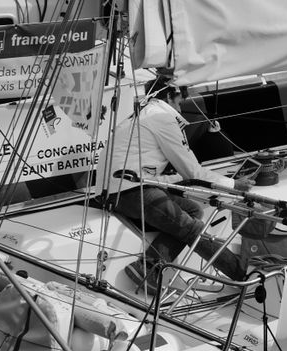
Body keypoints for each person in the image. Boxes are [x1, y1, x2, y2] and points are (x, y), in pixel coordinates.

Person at [96, 76, 254, 290]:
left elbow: (161, 173)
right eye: (180, 101)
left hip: (120, 188)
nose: (181, 107)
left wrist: (186, 178)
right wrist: (234, 186)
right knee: (191, 228)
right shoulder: (161, 117)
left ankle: (148, 266)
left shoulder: (142, 114)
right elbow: (192, 170)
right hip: (129, 191)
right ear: (169, 96)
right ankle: (240, 274)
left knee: (193, 210)